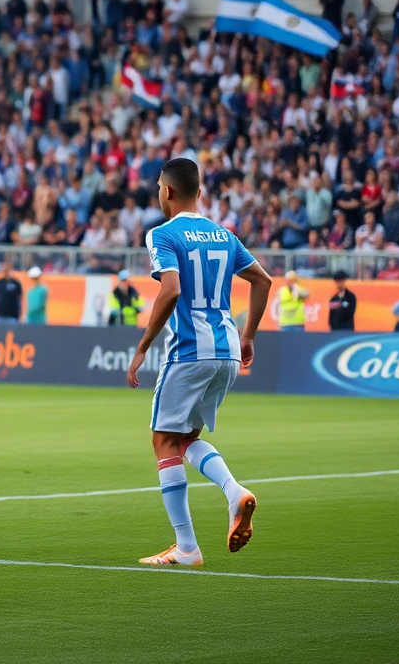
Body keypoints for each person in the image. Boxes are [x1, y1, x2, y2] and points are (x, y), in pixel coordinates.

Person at [127, 158, 272, 568]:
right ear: (200, 192)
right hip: (226, 349)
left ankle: (187, 547)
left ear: (167, 192)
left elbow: (170, 290)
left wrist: (142, 346)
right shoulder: (224, 234)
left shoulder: (162, 234)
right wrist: (248, 337)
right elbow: (263, 281)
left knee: (162, 442)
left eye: (158, 186)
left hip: (189, 350)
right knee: (185, 437)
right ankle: (232, 492)